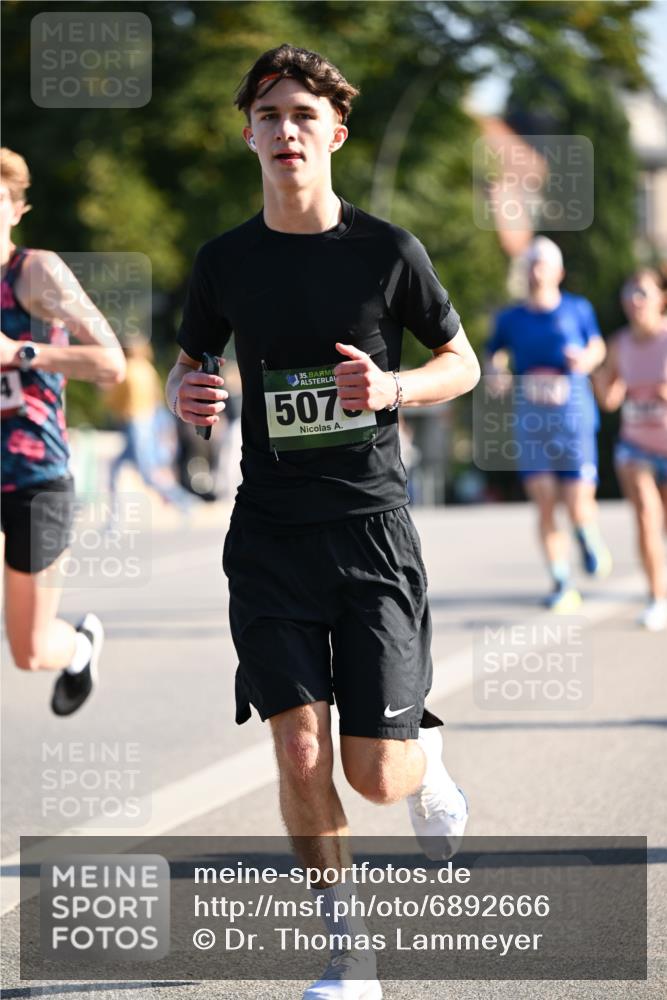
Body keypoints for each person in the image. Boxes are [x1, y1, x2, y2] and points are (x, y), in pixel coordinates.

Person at [166, 44, 480, 1000]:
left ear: (333, 133)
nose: (285, 130)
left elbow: (461, 362)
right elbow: (188, 365)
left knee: (378, 778)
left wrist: (393, 386)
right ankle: (349, 954)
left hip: (370, 531)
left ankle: (424, 767)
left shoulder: (387, 252)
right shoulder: (224, 262)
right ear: (250, 135)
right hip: (267, 535)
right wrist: (190, 393)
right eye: (268, 116)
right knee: (297, 745)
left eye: (303, 115)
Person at [0, 147, 126, 714]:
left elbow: (110, 363)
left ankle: (78, 644)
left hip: (33, 478)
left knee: (28, 652)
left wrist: (20, 351)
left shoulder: (34, 273)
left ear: (16, 209)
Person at [485, 236, 611, 612]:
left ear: (559, 272)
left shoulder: (577, 309)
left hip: (572, 414)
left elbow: (597, 345)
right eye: (531, 264)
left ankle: (587, 535)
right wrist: (496, 372)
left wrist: (586, 360)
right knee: (543, 502)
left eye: (544, 264)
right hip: (532, 416)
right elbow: (495, 353)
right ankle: (561, 580)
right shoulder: (511, 318)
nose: (536, 271)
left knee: (576, 502)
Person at [593, 268, 667, 631]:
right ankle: (657, 598)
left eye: (642, 293)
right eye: (629, 294)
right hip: (636, 446)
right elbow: (610, 400)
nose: (634, 301)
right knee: (646, 518)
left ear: (660, 299)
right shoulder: (619, 343)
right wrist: (598, 378)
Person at [105, 339, 192, 511]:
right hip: (148, 423)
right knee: (117, 469)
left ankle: (184, 501)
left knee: (147, 474)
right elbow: (158, 398)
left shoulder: (127, 369)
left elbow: (113, 400)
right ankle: (114, 519)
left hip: (135, 425)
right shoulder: (147, 368)